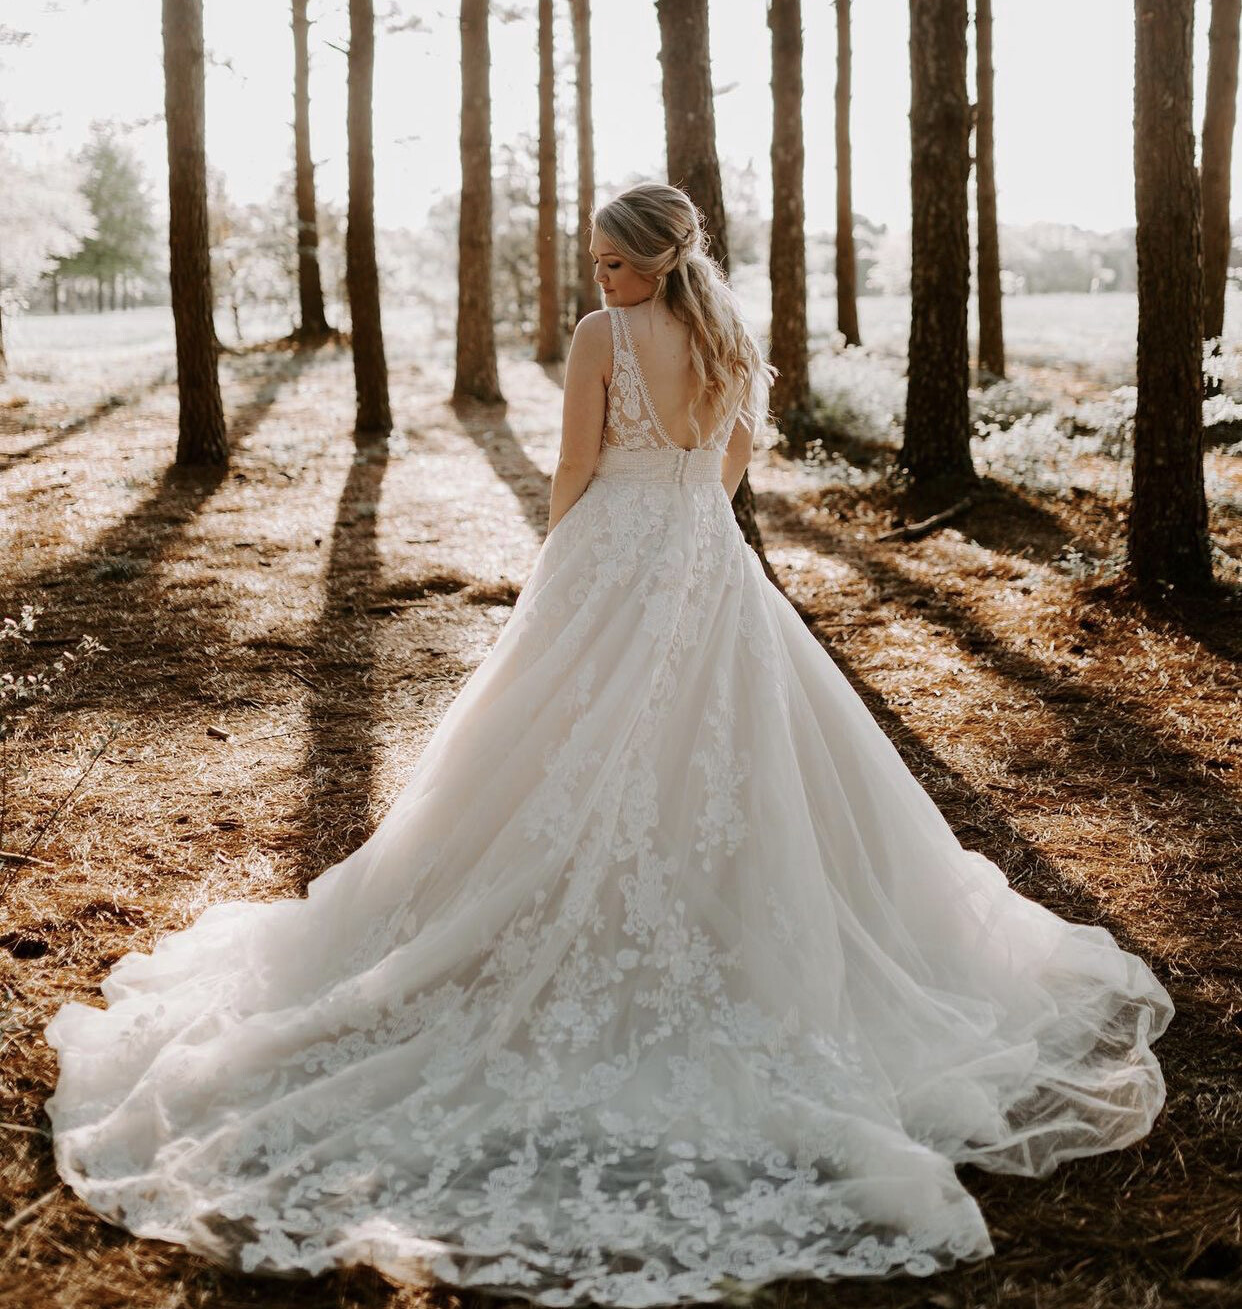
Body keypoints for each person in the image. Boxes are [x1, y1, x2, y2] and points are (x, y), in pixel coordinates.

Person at [44, 182, 1173, 1308]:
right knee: (715, 748)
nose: (601, 280)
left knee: (581, 741)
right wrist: (683, 523)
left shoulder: (605, 338)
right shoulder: (725, 334)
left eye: (616, 264)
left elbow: (574, 464)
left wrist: (564, 559)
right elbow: (731, 466)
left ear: (658, 262)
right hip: (703, 552)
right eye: (595, 265)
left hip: (616, 544)